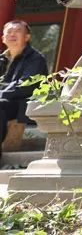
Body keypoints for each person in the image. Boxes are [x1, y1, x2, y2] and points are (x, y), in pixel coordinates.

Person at [0, 20, 48, 157]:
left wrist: (1, 93)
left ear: (27, 37)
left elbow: (26, 85)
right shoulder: (2, 59)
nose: (12, 34)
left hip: (23, 104)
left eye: (17, 31)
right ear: (3, 38)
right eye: (9, 32)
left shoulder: (36, 58)